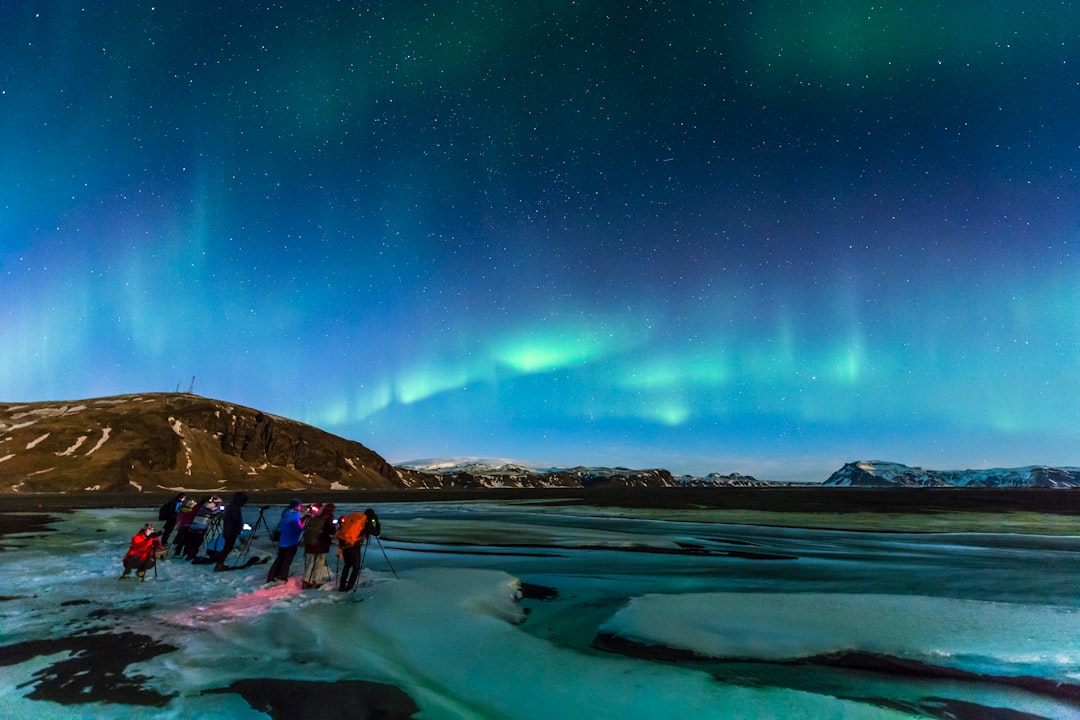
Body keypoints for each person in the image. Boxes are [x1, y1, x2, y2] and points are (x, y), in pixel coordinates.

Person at [337, 507, 379, 592]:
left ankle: (342, 586)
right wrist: (376, 522)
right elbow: (376, 532)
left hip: (345, 544)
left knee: (347, 565)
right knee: (356, 568)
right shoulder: (365, 523)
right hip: (354, 547)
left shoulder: (356, 519)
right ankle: (349, 588)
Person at [266, 499, 305, 583]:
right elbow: (297, 530)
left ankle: (272, 575)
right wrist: (302, 526)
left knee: (279, 559)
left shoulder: (286, 514)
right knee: (286, 561)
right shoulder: (294, 518)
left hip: (283, 542)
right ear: (296, 507)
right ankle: (282, 576)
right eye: (299, 506)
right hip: (291, 542)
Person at [301, 503, 336, 589]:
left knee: (311, 562)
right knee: (319, 563)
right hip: (321, 544)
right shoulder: (328, 518)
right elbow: (331, 531)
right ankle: (315, 582)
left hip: (311, 544)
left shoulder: (316, 516)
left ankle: (305, 582)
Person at [214, 491, 248, 571]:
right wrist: (239, 527)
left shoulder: (231, 506)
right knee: (227, 548)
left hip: (228, 530)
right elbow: (236, 519)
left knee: (227, 547)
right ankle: (219, 564)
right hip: (231, 530)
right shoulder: (235, 507)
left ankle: (220, 563)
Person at [183, 496, 223, 561]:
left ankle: (187, 554)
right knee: (197, 542)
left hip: (193, 525)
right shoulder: (211, 506)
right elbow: (216, 513)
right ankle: (192, 555)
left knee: (191, 541)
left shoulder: (202, 505)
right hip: (201, 526)